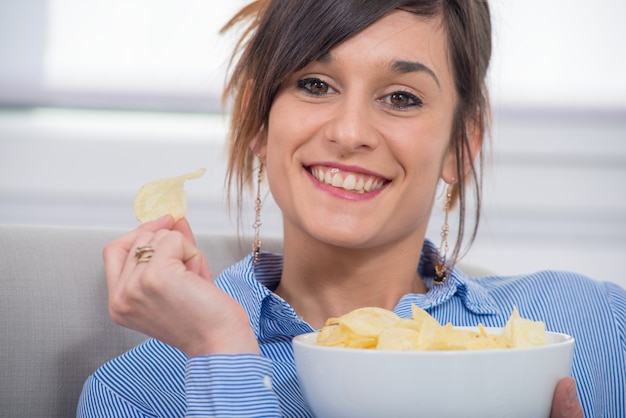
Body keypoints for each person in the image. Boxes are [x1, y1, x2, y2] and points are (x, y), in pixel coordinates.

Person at [78, 1, 624, 417]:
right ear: (258, 124)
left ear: (463, 144)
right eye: (314, 85)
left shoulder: (595, 325)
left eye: (401, 98)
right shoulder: (139, 393)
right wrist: (222, 352)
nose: (349, 133)